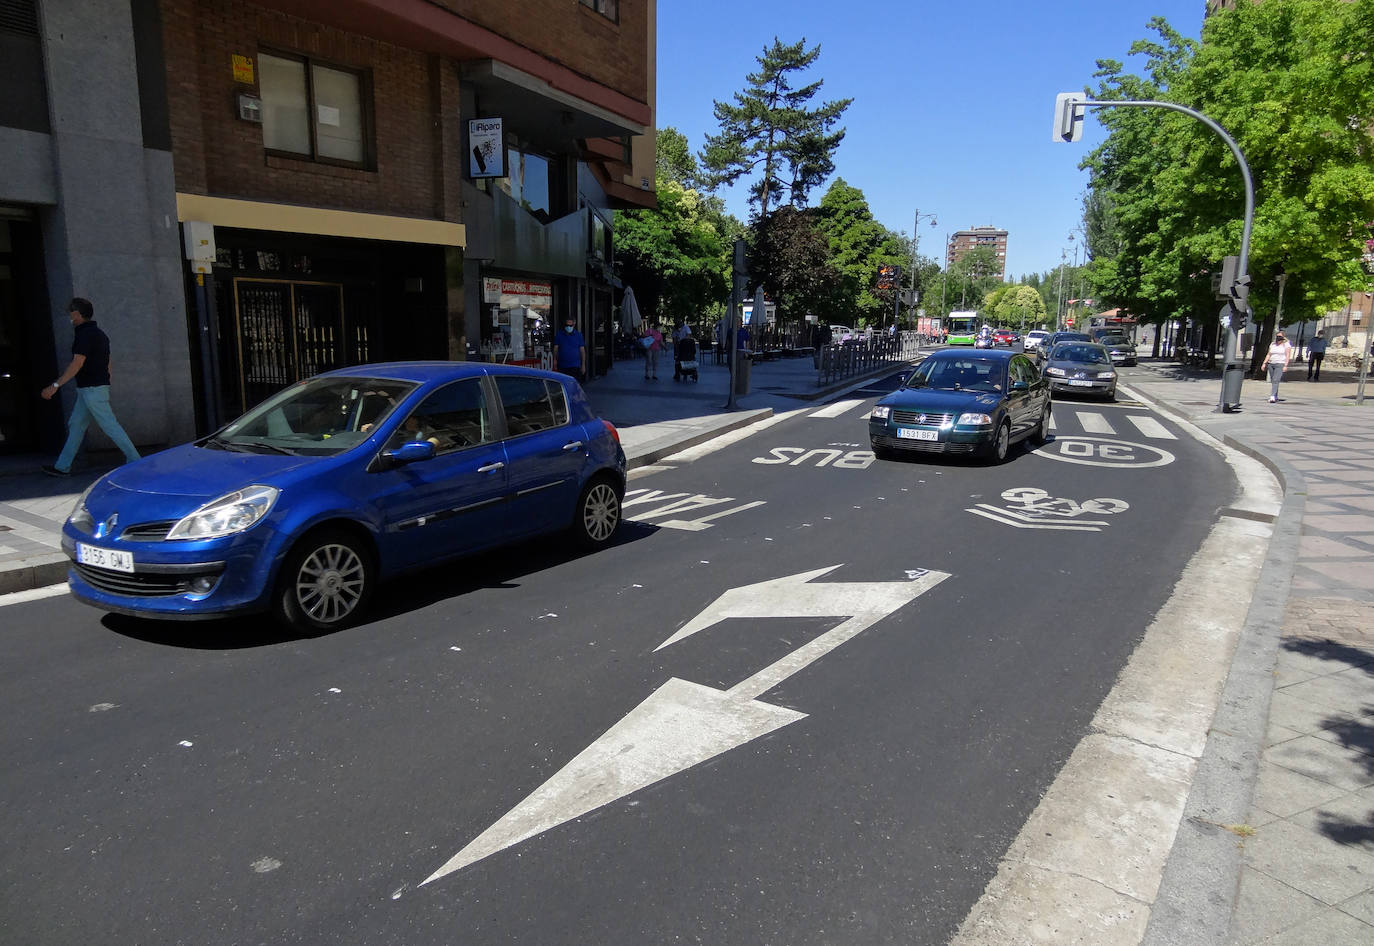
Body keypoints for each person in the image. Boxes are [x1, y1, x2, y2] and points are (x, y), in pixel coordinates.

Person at [40, 297, 140, 476]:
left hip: (91, 389)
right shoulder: (99, 333)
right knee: (77, 424)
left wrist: (55, 385)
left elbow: (77, 363)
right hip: (92, 388)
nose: (69, 316)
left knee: (109, 425)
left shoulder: (84, 335)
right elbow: (108, 361)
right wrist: (105, 381)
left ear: (77, 314)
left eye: (70, 313)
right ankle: (62, 466)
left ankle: (135, 460)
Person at [1261, 329, 1293, 403]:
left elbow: (1287, 355)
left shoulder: (1286, 345)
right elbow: (1269, 354)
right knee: (1273, 381)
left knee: (1276, 380)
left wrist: (1285, 365)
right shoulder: (1273, 344)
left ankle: (1272, 396)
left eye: (1280, 336)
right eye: (1277, 336)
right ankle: (1275, 396)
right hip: (1271, 363)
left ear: (1283, 337)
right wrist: (1264, 363)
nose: (1278, 337)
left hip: (1280, 364)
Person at [553, 315, 586, 381]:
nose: (568, 327)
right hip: (562, 365)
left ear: (574, 325)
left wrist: (583, 365)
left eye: (570, 325)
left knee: (574, 384)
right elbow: (555, 348)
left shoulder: (579, 335)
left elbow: (582, 351)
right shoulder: (559, 335)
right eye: (567, 325)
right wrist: (555, 360)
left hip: (575, 365)